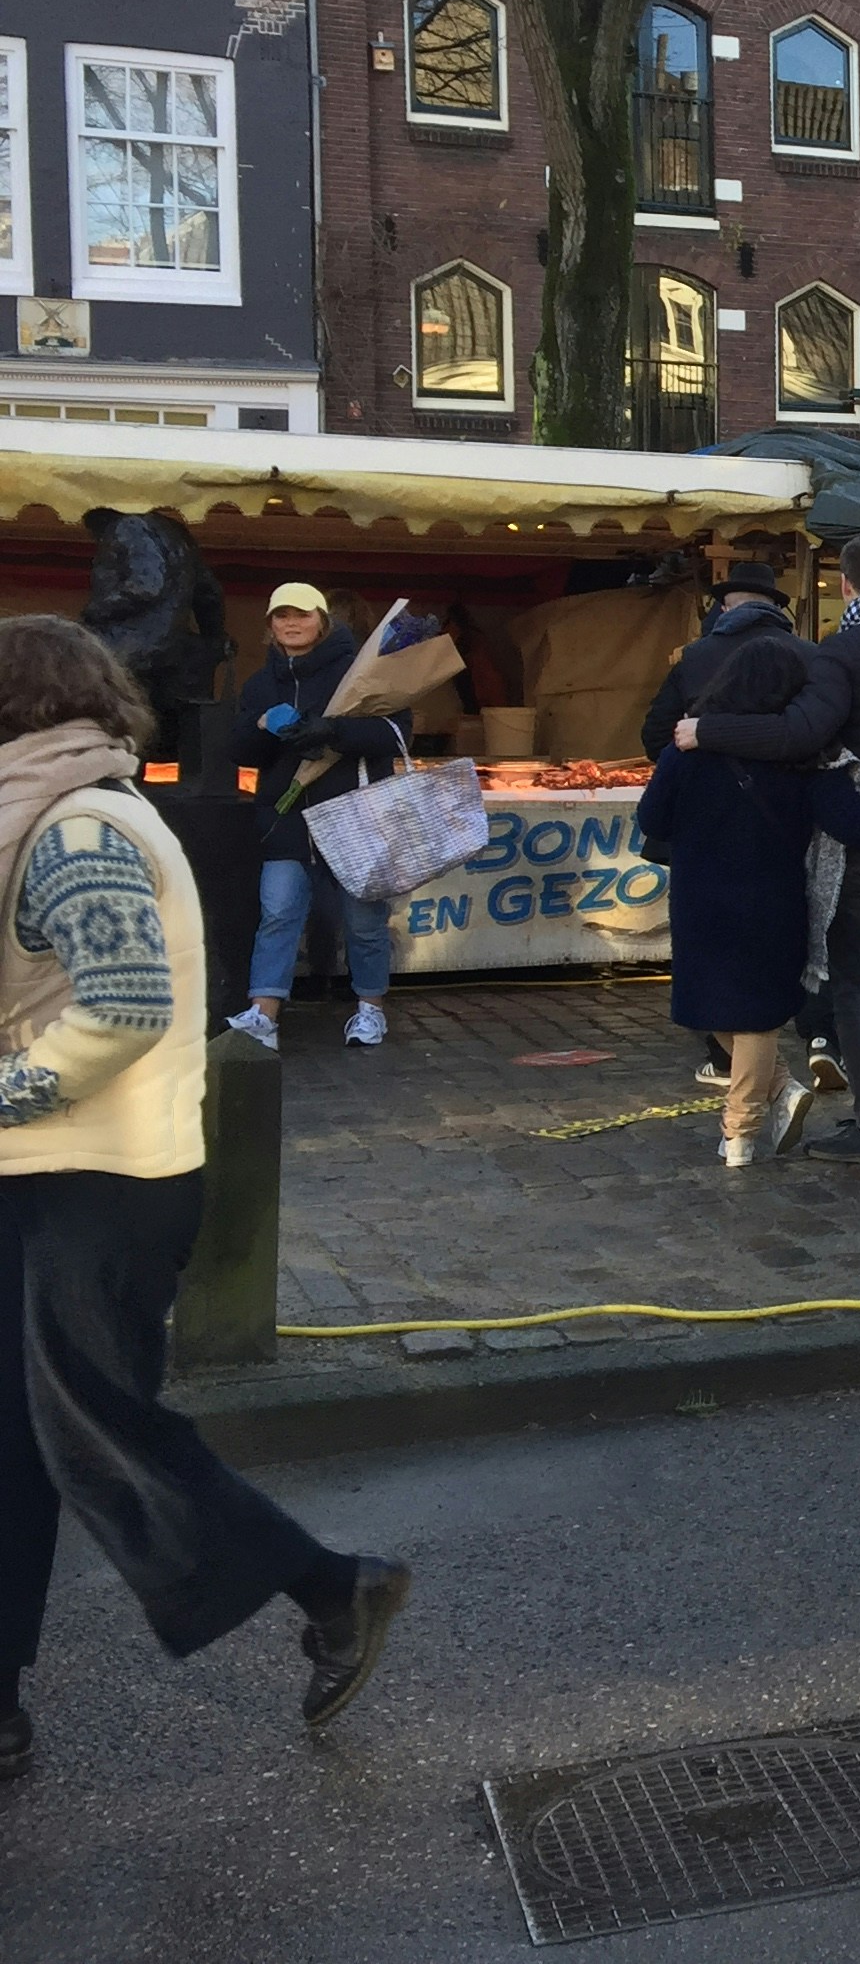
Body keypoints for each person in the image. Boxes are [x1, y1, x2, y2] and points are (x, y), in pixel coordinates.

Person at [2, 619, 410, 1776]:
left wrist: (5, 1091)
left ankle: (335, 1587)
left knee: (97, 1435)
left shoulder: (77, 825)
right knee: (22, 1438)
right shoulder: (66, 807)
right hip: (62, 1172)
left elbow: (123, 1005)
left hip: (96, 1178)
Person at [679, 535, 860, 1166]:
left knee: (856, 984)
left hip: (856, 835)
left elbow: (800, 733)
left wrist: (708, 729)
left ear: (846, 587)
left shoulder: (843, 652)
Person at [639, 645, 860, 1167]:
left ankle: (742, 1129)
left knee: (711, 1006)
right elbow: (855, 825)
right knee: (753, 1015)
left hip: (698, 897)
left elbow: (653, 821)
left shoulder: (684, 752)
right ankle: (766, 1104)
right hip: (772, 898)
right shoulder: (805, 762)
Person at [640, 561, 851, 1088]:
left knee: (712, 962)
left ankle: (731, 1062)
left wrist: (693, 756)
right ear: (777, 607)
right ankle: (821, 1038)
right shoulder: (812, 656)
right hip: (784, 843)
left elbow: (653, 734)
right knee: (802, 944)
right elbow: (824, 737)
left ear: (727, 606)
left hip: (705, 849)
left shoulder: (696, 657)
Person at [225, 582, 411, 1055]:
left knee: (363, 920)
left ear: (322, 620)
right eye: (281, 615)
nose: (292, 623)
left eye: (302, 614)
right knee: (278, 914)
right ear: (269, 625)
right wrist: (262, 728)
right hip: (286, 822)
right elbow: (240, 751)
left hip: (353, 816)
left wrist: (335, 730)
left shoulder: (360, 671)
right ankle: (263, 1015)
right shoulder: (260, 684)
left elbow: (396, 732)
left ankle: (370, 1008)